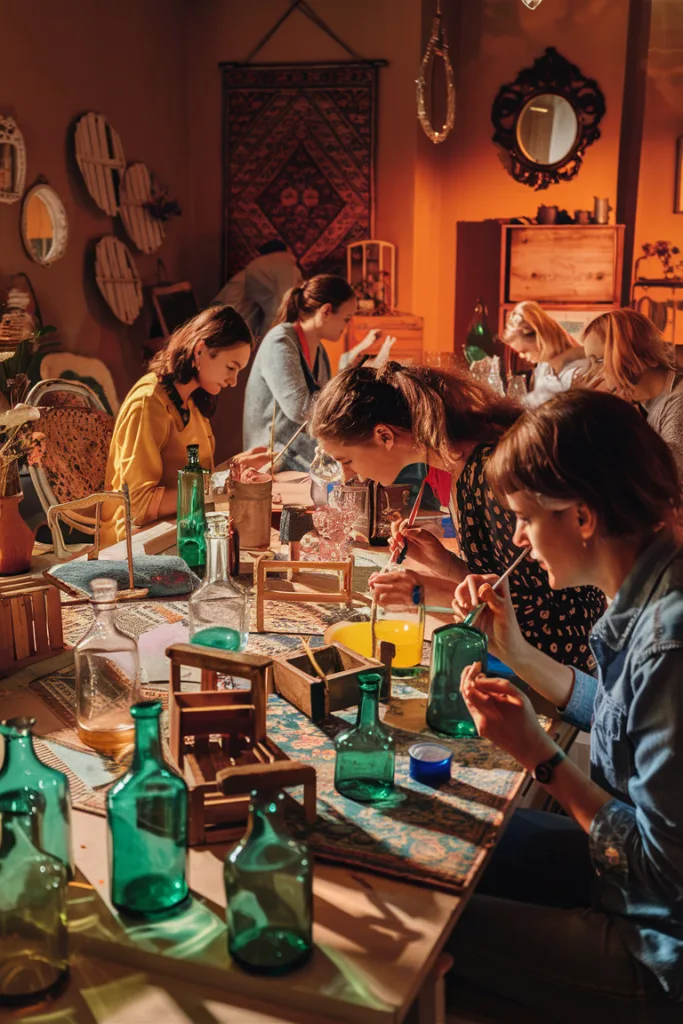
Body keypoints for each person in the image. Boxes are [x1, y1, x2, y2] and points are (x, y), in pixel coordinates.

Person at [446, 389, 683, 1023]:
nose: (518, 540)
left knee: (428, 928)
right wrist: (518, 653)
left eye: (524, 517)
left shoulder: (669, 642)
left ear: (581, 518)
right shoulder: (653, 581)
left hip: (657, 947)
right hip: (627, 881)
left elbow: (661, 871)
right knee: (451, 837)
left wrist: (539, 755)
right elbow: (617, 711)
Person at [310, 362, 604, 671]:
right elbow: (505, 580)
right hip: (525, 656)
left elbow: (536, 610)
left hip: (560, 666)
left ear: (384, 435)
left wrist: (421, 591)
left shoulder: (491, 472)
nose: (346, 476)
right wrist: (445, 564)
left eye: (347, 460)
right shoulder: (458, 462)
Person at [102, 305, 262, 544]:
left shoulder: (192, 402)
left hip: (180, 533)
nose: (233, 381)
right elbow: (136, 505)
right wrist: (220, 487)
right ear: (200, 351)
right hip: (135, 547)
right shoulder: (149, 403)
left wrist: (234, 469)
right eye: (231, 367)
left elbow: (196, 481)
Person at [243, 275, 380, 473]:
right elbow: (302, 409)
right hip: (274, 461)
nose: (346, 326)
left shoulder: (320, 352)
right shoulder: (280, 341)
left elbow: (323, 400)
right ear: (326, 311)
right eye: (346, 319)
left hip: (298, 457)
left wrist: (350, 367)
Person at [583, 308, 683, 481]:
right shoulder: (648, 402)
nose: (591, 373)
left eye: (599, 361)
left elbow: (670, 473)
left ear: (634, 356)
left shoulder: (678, 400)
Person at [502, 300, 589, 407]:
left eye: (524, 351)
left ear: (540, 339)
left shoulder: (578, 369)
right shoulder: (544, 366)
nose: (521, 356)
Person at [212, 240, 302, 340]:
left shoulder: (255, 267)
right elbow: (284, 302)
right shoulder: (284, 263)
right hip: (225, 315)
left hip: (224, 315)